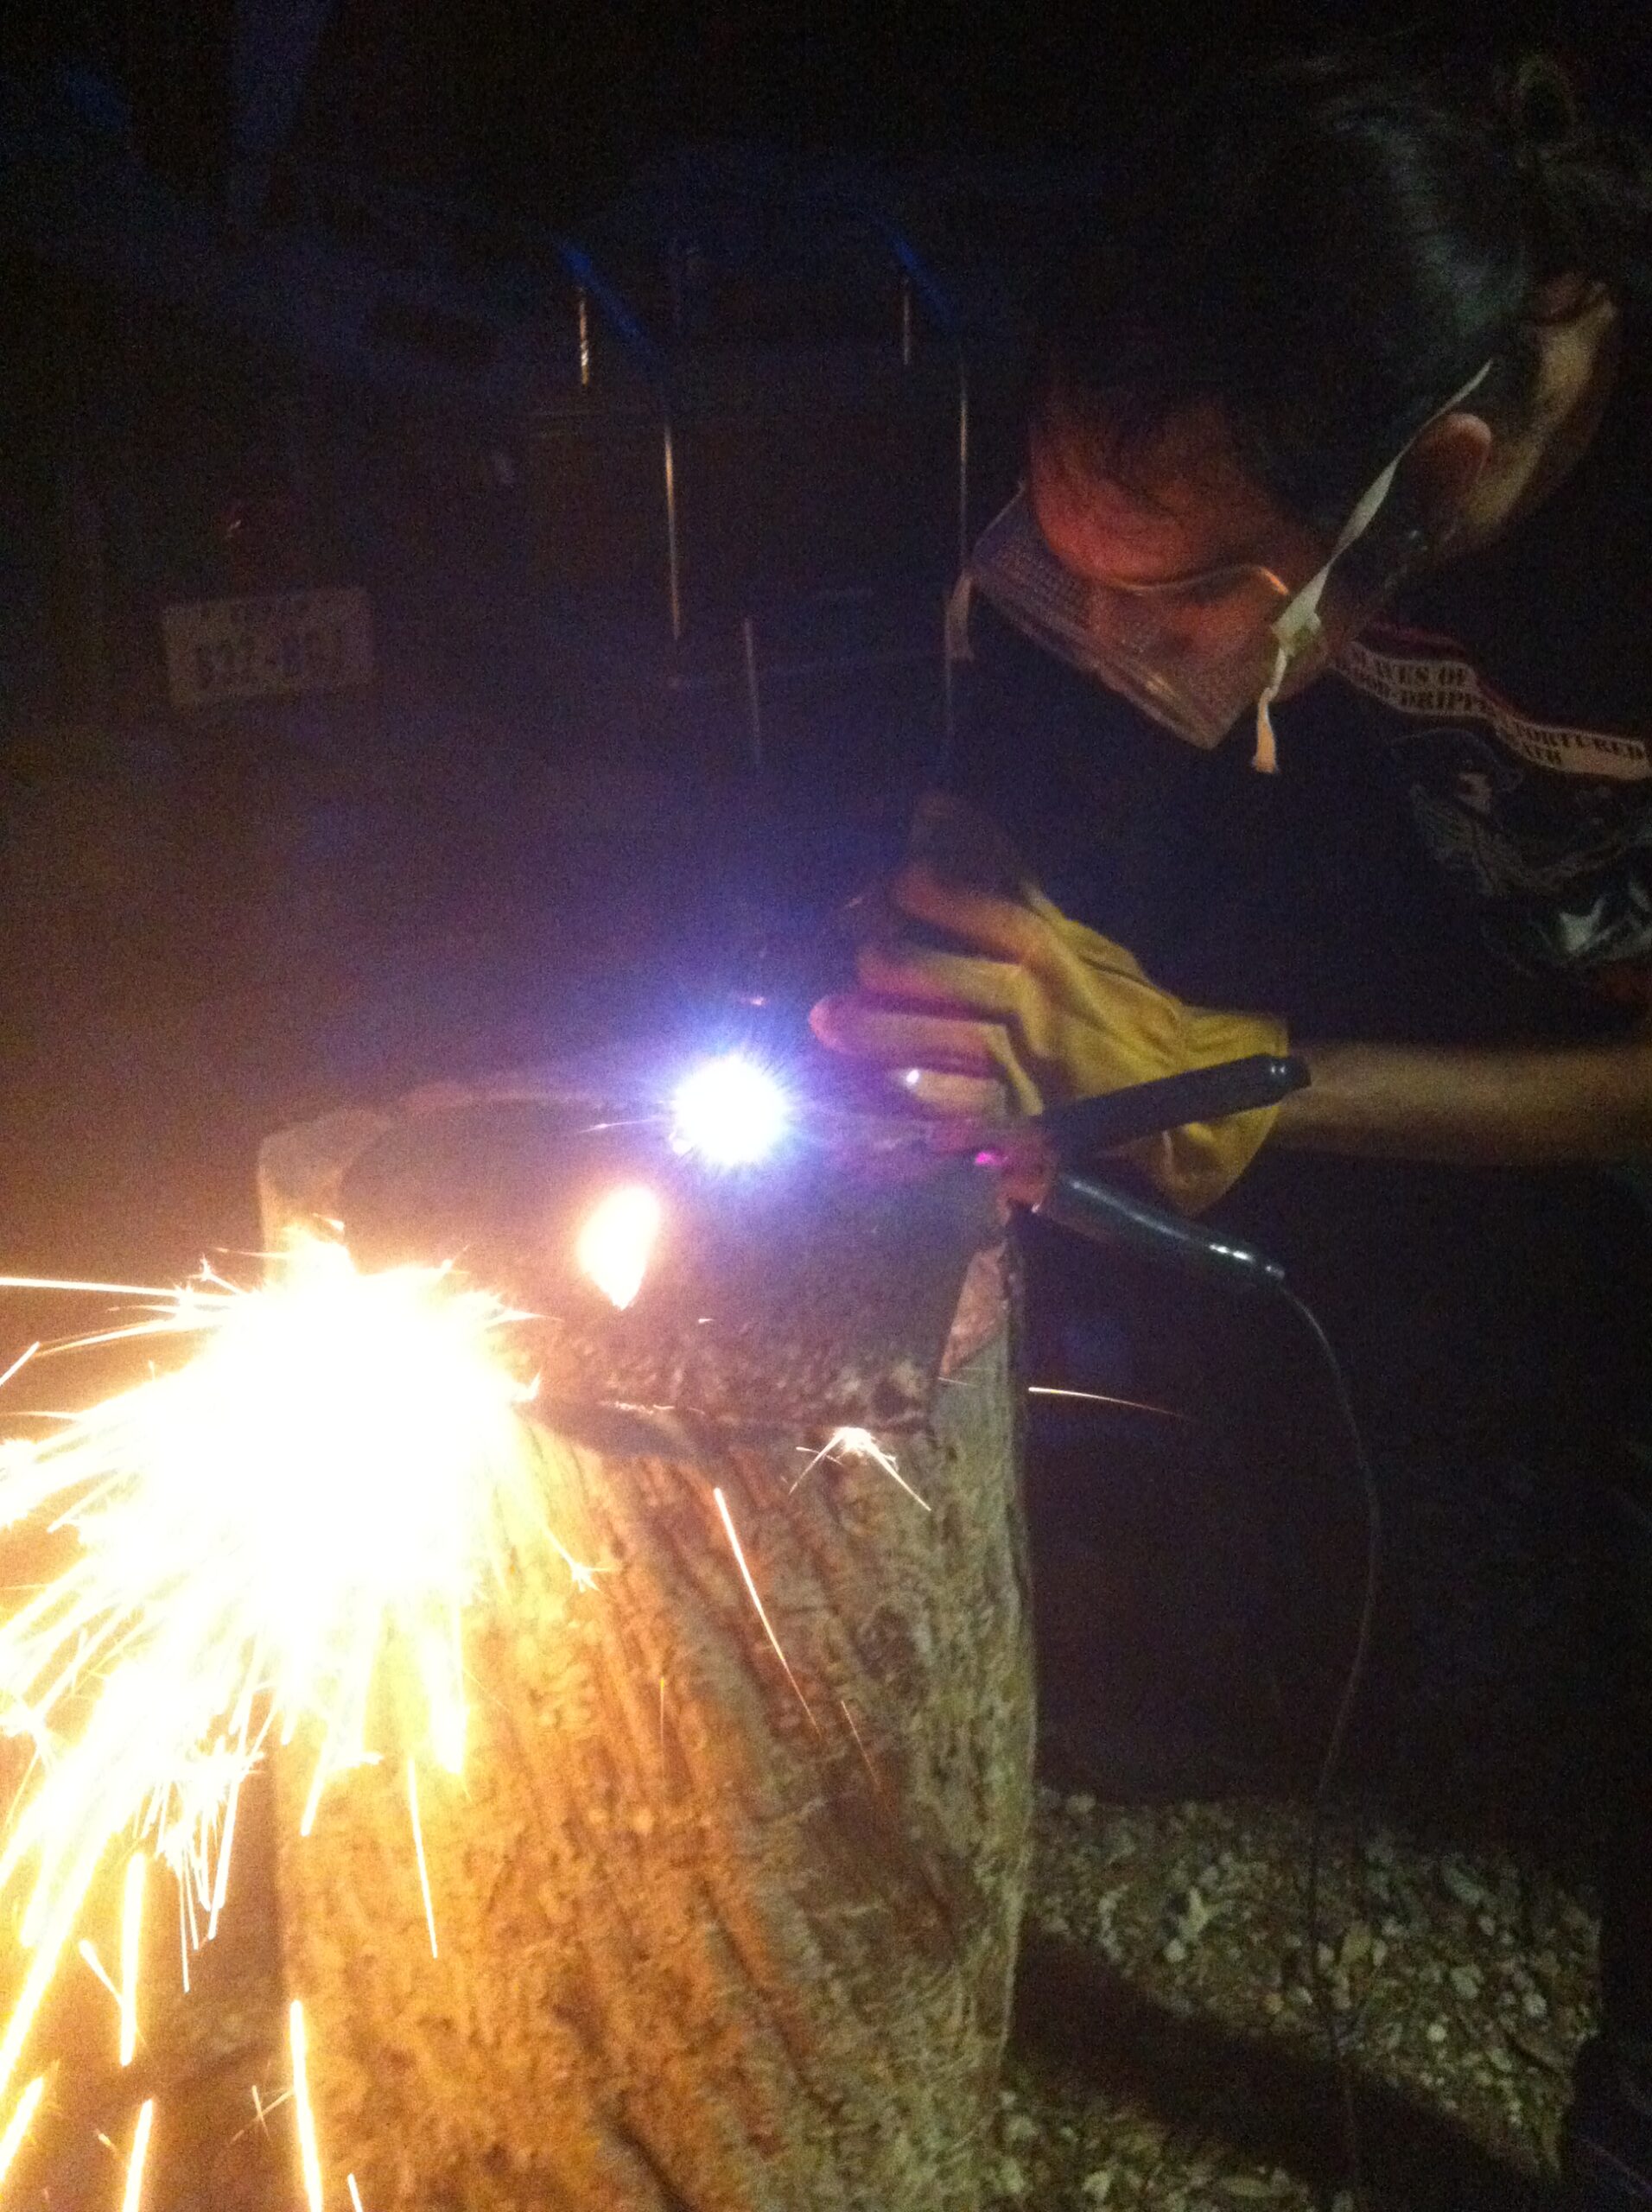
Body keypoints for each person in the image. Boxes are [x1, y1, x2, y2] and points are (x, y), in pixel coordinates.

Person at [810, 49, 1652, 2209]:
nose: (1120, 628)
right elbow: (1035, 733)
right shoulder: (1219, 424)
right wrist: (962, 903)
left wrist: (1248, 1077)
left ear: (1444, 465)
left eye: (1180, 589)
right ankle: (1268, 1660)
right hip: (1472, 934)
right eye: (1075, 555)